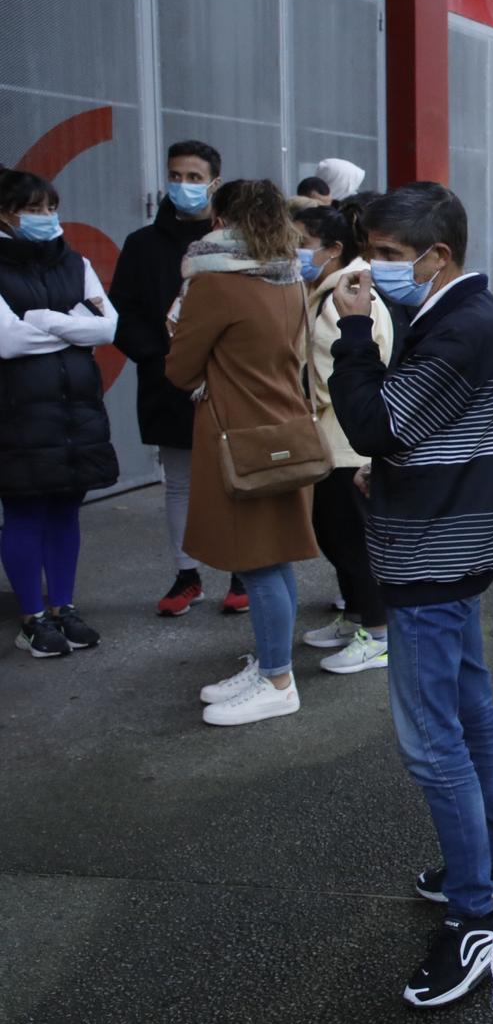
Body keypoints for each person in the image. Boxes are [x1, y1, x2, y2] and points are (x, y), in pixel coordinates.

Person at [327, 182, 493, 1009]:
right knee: (467, 702)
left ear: (434, 256)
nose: (371, 269)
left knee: (429, 736)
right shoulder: (461, 318)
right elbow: (420, 428)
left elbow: (372, 422)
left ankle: (475, 913)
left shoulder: (459, 329)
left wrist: (349, 331)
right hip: (454, 542)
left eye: (381, 253)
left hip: (433, 553)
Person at [166, 179, 318, 726]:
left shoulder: (214, 285)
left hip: (238, 437)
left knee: (257, 564)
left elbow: (181, 368)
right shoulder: (291, 278)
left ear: (224, 222)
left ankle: (277, 679)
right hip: (284, 431)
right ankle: (273, 667)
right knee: (272, 560)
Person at [111, 139, 249, 617]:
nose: (183, 186)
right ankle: (186, 575)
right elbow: (122, 313)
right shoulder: (142, 245)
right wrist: (158, 358)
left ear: (215, 182)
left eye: (194, 177)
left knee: (235, 478)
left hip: (230, 381)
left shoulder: (236, 242)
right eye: (176, 175)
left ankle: (241, 572)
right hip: (167, 382)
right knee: (180, 482)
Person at [0, 171, 118, 659]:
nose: (47, 218)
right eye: (35, 209)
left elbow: (108, 327)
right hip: (17, 412)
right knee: (25, 511)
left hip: (75, 412)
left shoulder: (77, 262)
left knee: (67, 510)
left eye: (51, 208)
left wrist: (44, 321)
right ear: (7, 214)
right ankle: (32, 617)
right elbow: (7, 340)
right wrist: (72, 325)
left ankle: (63, 607)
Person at [294, 203, 393, 672]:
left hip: (346, 439)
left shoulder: (349, 292)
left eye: (302, 243)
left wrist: (304, 394)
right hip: (332, 436)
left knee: (353, 538)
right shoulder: (327, 287)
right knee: (334, 533)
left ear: (333, 249)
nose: (295, 252)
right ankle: (355, 615)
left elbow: (343, 366)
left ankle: (378, 632)